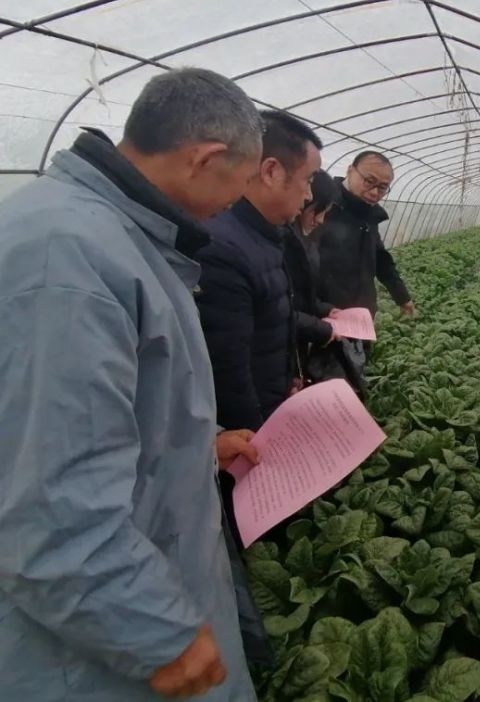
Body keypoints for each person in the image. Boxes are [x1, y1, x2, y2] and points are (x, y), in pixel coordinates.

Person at [0, 68, 262, 700]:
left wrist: (196, 445)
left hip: (139, 591)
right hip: (95, 649)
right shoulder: (65, 257)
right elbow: (48, 502)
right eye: (243, 179)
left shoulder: (114, 236)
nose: (241, 199)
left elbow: (76, 427)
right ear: (207, 158)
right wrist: (155, 633)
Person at [196, 110, 323, 432]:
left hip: (268, 411)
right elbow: (226, 373)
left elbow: (269, 323)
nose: (309, 195)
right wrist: (257, 443)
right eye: (308, 180)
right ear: (271, 171)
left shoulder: (265, 235)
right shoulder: (224, 249)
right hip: (242, 440)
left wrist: (284, 380)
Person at [314, 151, 415, 381]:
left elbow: (380, 258)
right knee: (325, 379)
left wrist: (402, 296)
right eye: (369, 181)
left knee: (355, 373)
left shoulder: (369, 215)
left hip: (361, 317)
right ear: (350, 170)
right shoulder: (323, 205)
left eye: (382, 187)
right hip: (326, 318)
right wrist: (317, 311)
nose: (374, 192)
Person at [283, 170, 365, 395]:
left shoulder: (304, 240)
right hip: (282, 347)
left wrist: (326, 309)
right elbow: (279, 308)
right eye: (319, 211)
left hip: (295, 343)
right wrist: (320, 328)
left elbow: (300, 295)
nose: (320, 220)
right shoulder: (283, 243)